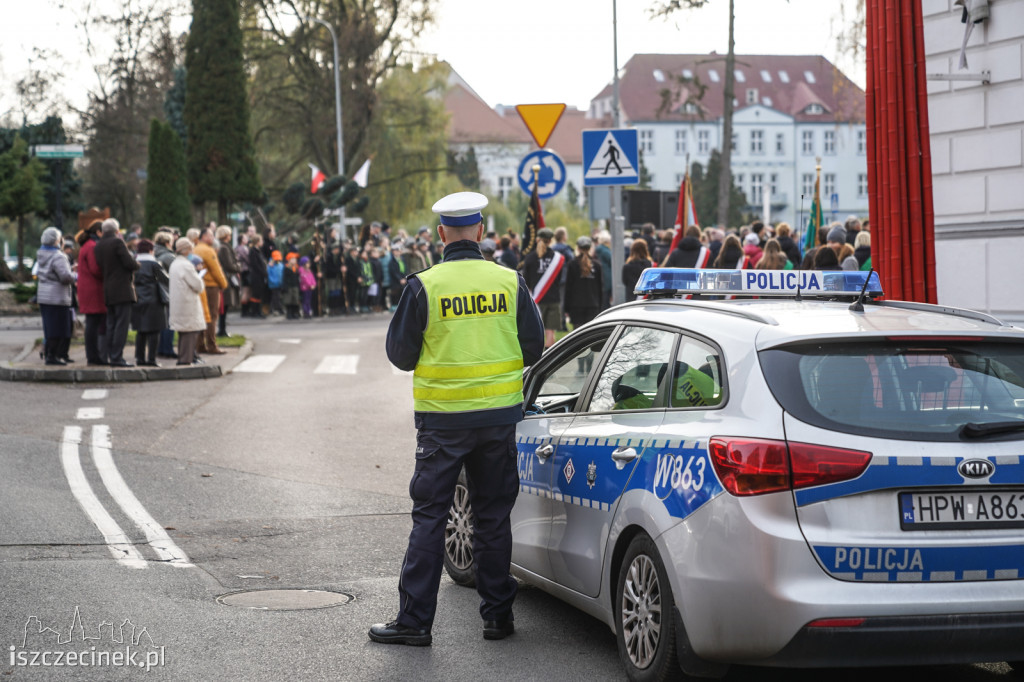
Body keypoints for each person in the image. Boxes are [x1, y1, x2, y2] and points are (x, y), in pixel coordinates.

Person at [371, 191, 544, 647]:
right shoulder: (511, 282)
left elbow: (400, 355)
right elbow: (533, 348)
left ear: (441, 235)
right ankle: (497, 618)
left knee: (430, 518)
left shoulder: (424, 285)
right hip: (497, 421)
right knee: (492, 517)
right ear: (482, 233)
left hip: (443, 423)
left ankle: (414, 623)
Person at [93, 218, 139, 367]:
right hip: (122, 290)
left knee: (111, 324)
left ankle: (110, 355)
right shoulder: (117, 242)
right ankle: (117, 357)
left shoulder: (98, 246)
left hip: (108, 289)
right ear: (117, 230)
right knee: (122, 325)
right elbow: (129, 263)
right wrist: (137, 264)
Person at [36, 227, 76, 366]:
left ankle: (49, 354)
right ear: (57, 241)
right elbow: (65, 277)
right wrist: (75, 275)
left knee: (50, 328)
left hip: (44, 296)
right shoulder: (58, 256)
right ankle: (52, 357)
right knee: (59, 328)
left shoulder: (41, 253)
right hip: (57, 297)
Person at [521, 227, 565, 348]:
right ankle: (550, 356)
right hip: (553, 297)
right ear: (550, 241)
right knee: (550, 331)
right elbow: (559, 278)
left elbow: (526, 281)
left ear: (537, 240)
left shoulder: (530, 258)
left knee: (537, 330)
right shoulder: (557, 258)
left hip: (537, 299)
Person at [131, 240, 169, 367]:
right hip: (153, 299)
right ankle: (151, 359)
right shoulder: (154, 263)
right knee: (154, 331)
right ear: (150, 250)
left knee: (141, 331)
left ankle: (139, 358)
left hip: (137, 297)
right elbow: (165, 279)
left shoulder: (133, 262)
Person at [169, 238, 206, 365]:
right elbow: (198, 285)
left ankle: (183, 358)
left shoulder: (175, 263)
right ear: (186, 250)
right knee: (189, 333)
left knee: (183, 333)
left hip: (178, 302)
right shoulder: (186, 265)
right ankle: (186, 360)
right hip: (187, 303)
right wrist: (199, 275)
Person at [76, 220, 107, 365]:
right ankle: (94, 357)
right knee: (93, 324)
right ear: (99, 232)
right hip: (94, 289)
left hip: (88, 288)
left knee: (92, 324)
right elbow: (96, 269)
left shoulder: (87, 245)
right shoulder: (92, 246)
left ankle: (93, 356)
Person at [194, 227, 228, 354]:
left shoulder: (195, 248)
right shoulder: (208, 251)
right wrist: (223, 284)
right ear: (204, 237)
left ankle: (200, 345)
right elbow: (216, 270)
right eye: (211, 235)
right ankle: (212, 345)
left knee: (201, 314)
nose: (213, 238)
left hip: (200, 284)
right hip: (211, 286)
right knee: (212, 316)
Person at [563, 236, 603, 334]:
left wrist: (566, 307)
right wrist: (600, 305)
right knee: (591, 334)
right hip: (593, 304)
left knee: (577, 335)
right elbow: (600, 288)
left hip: (576, 305)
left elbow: (568, 287)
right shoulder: (597, 265)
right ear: (590, 248)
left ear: (578, 248)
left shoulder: (572, 264)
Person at [153, 231, 179, 359]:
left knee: (162, 323)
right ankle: (167, 349)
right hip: (168, 291)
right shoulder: (168, 256)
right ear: (167, 243)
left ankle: (160, 348)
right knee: (170, 322)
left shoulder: (154, 253)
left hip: (156, 291)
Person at [216, 225, 240, 336]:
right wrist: (238, 266)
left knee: (224, 307)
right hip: (227, 279)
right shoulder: (224, 248)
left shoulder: (221, 246)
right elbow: (229, 265)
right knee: (224, 306)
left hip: (226, 278)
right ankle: (222, 330)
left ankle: (222, 329)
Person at [247, 234, 268, 318]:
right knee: (256, 293)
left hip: (260, 276)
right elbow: (255, 264)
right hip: (256, 276)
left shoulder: (259, 251)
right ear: (257, 242)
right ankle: (255, 311)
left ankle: (258, 310)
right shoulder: (253, 251)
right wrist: (263, 271)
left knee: (259, 293)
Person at [595, 230, 613, 309]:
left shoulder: (596, 250)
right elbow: (612, 263)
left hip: (600, 277)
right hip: (607, 278)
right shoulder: (606, 251)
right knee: (606, 301)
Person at [282, 253, 301, 319]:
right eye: (293, 259)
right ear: (289, 260)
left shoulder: (296, 268)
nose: (295, 260)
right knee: (288, 300)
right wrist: (285, 287)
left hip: (295, 286)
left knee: (295, 300)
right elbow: (284, 278)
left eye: (295, 259)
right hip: (289, 286)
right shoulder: (286, 268)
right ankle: (289, 313)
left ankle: (294, 313)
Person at [267, 250, 285, 315]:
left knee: (275, 297)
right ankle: (279, 309)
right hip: (274, 284)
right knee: (276, 297)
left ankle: (272, 309)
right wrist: (273, 282)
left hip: (279, 284)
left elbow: (282, 274)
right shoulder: (270, 265)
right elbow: (269, 274)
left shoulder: (280, 265)